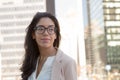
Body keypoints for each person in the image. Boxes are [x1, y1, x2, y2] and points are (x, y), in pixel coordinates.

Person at [20, 12, 77, 80]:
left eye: (50, 29)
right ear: (33, 34)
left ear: (55, 35)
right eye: (41, 29)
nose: (46, 33)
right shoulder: (31, 61)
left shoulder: (67, 62)